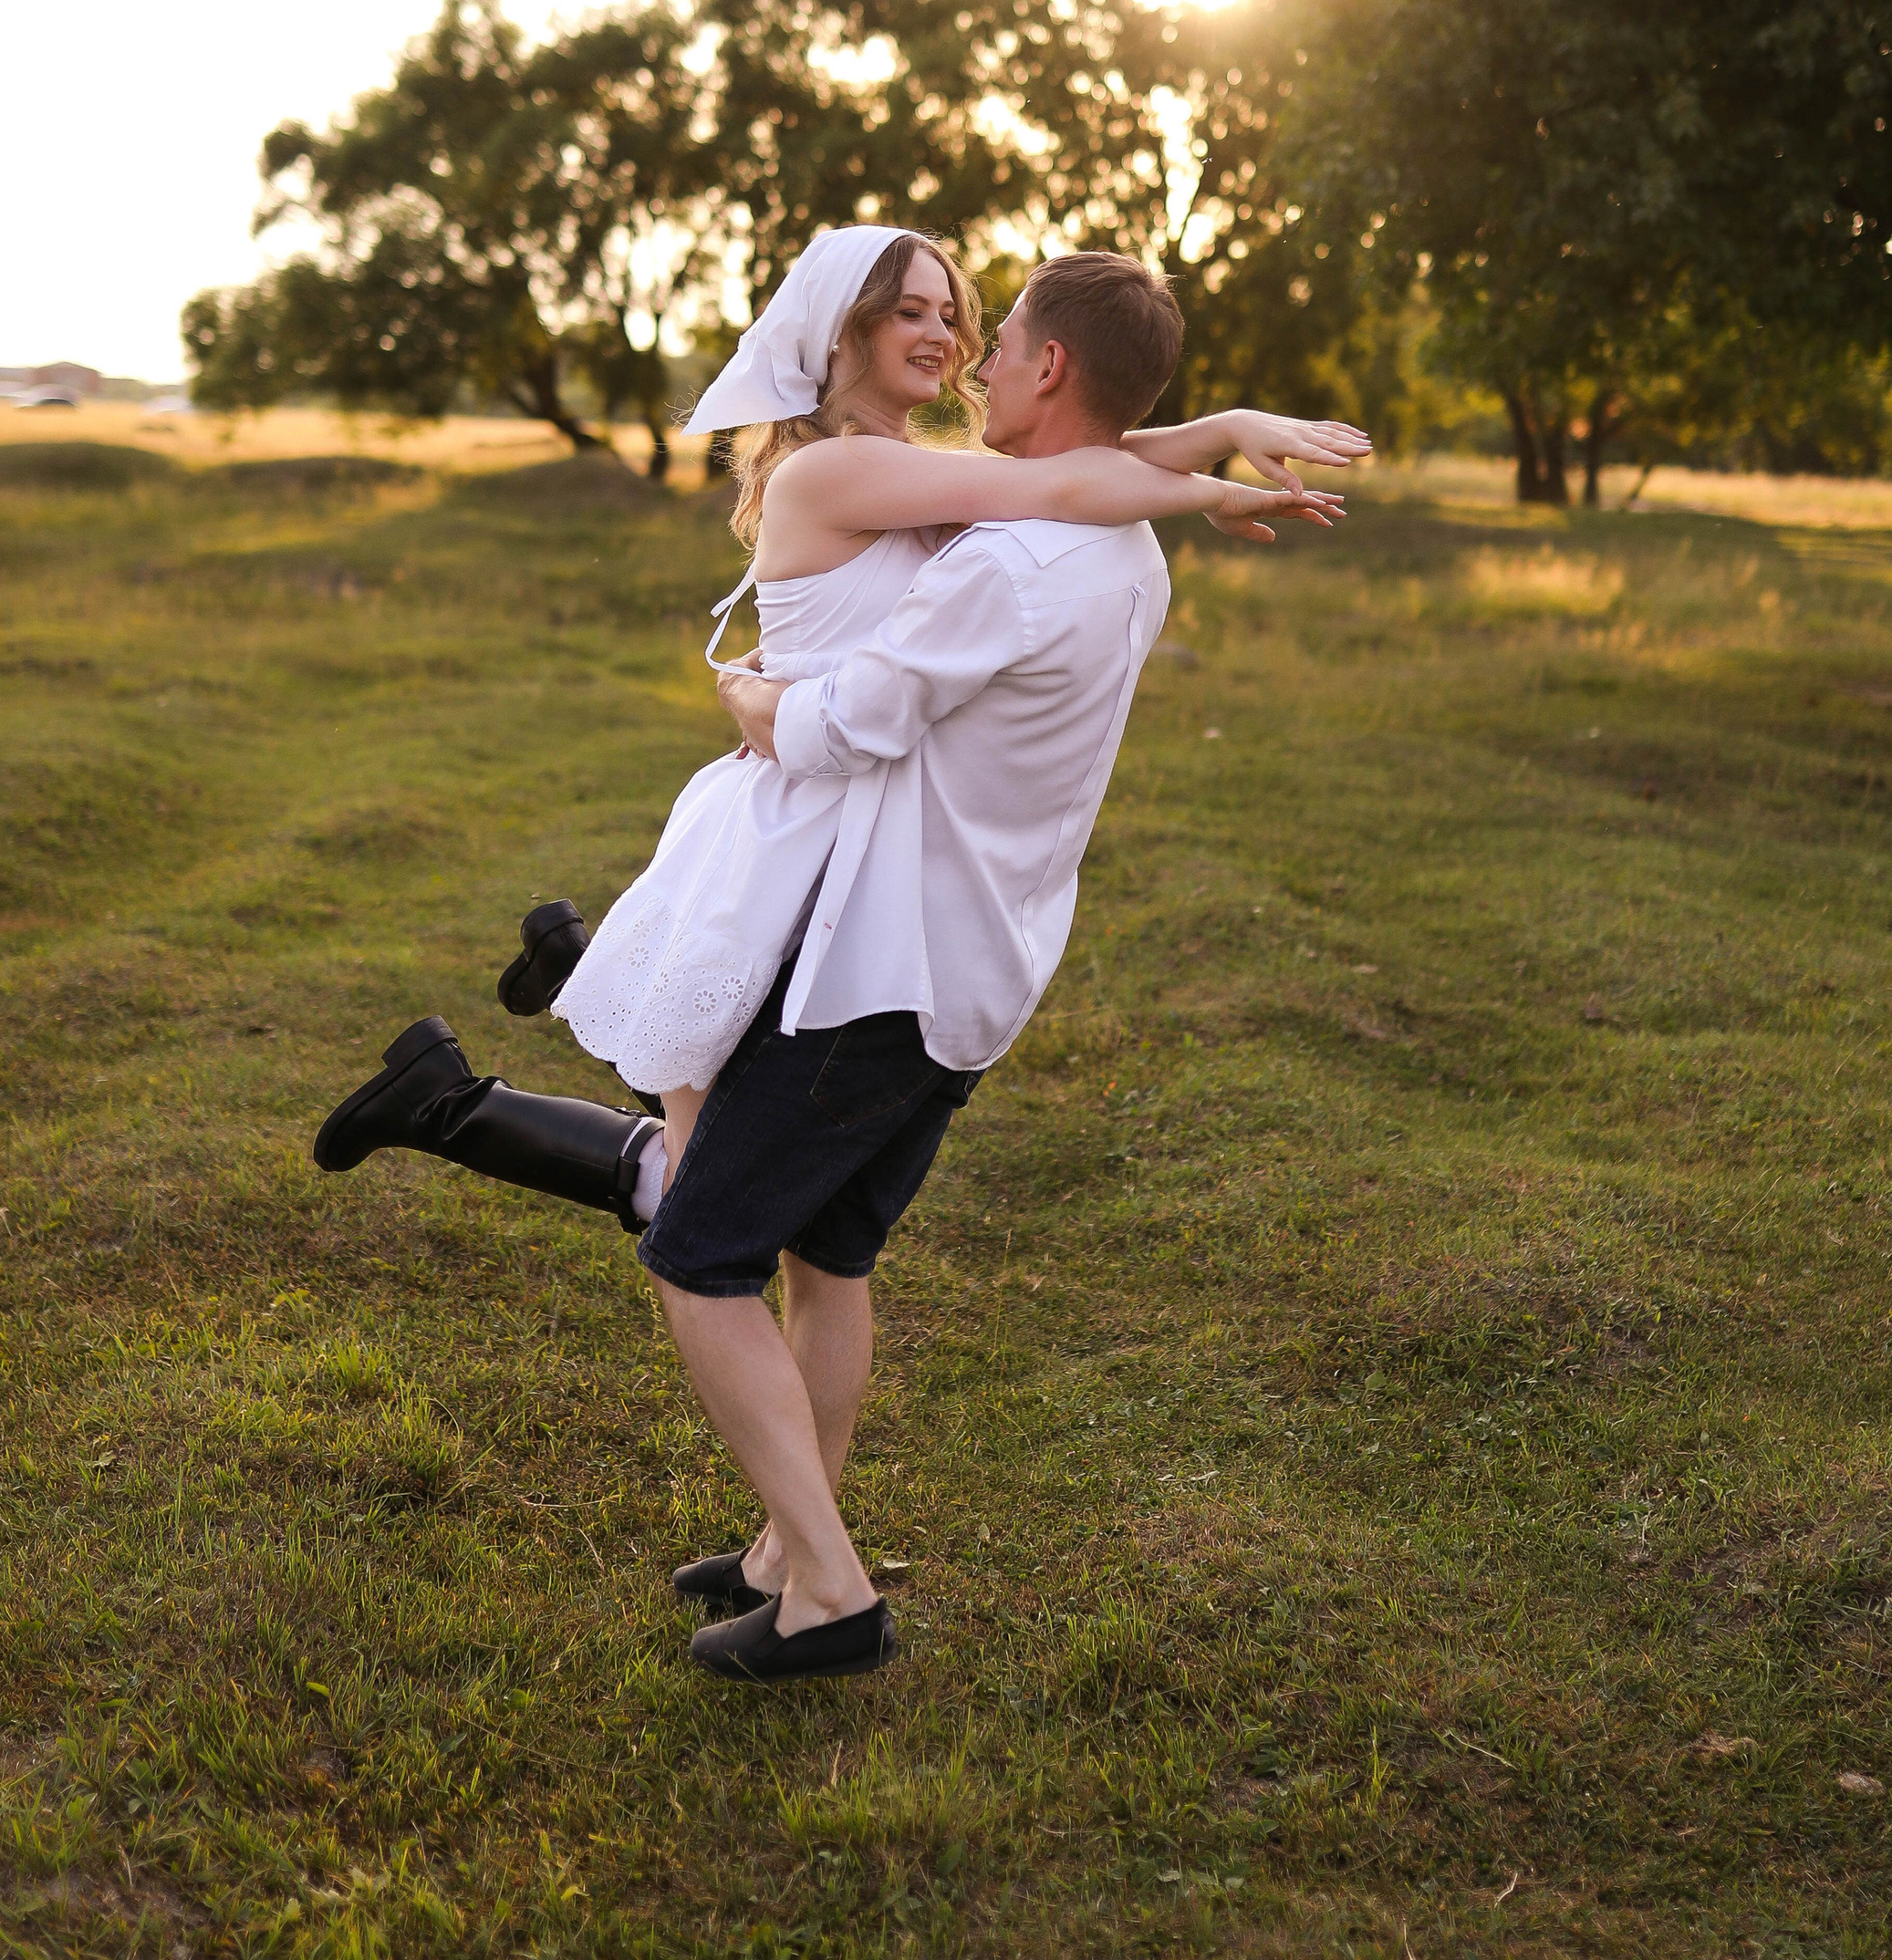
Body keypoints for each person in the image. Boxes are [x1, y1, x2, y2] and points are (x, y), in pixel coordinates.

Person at [310, 230, 1362, 1681]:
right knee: (816, 1244)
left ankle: (825, 1589)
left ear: (1042, 361)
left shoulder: (1004, 524)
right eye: (913, 312)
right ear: (843, 331)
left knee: (705, 1249)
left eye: (971, 321)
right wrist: (1214, 458)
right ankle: (782, 1551)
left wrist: (756, 703)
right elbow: (1073, 470)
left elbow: (1059, 480)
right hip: (910, 926)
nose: (957, 341)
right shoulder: (959, 504)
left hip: (874, 939)